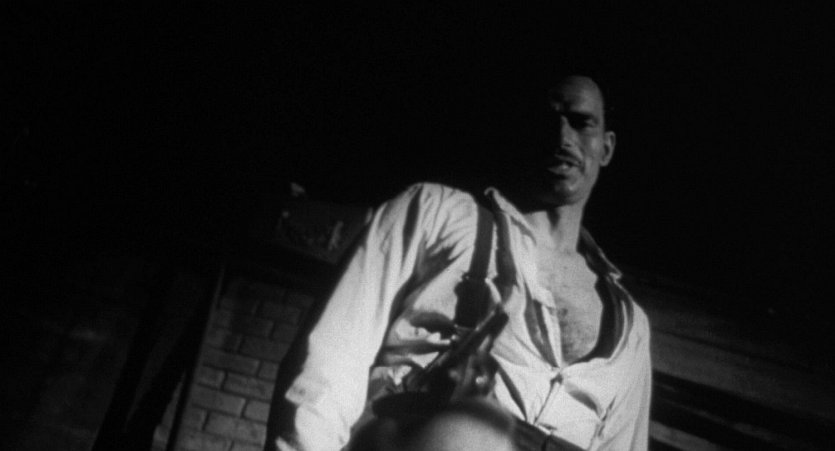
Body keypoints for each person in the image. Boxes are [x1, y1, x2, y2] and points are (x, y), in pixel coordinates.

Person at [270, 75, 652, 450]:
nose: (562, 137)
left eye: (581, 122)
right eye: (546, 121)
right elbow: (327, 366)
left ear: (606, 148)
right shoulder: (435, 214)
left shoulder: (630, 325)